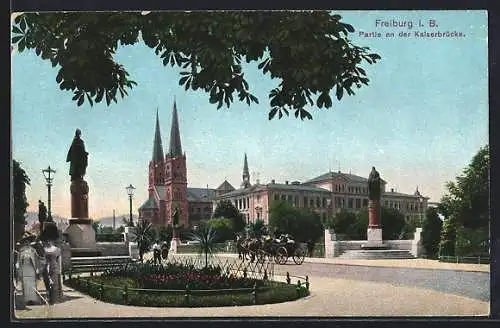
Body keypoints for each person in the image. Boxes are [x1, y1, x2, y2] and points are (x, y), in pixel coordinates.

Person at [17, 235, 40, 305]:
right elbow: (18, 260)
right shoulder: (21, 251)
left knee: (32, 284)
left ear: (30, 242)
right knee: (25, 284)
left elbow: (36, 260)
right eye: (25, 242)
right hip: (24, 268)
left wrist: (37, 268)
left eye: (28, 242)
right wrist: (17, 264)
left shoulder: (33, 250)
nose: (27, 243)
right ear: (23, 243)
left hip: (31, 269)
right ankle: (27, 300)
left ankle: (32, 300)